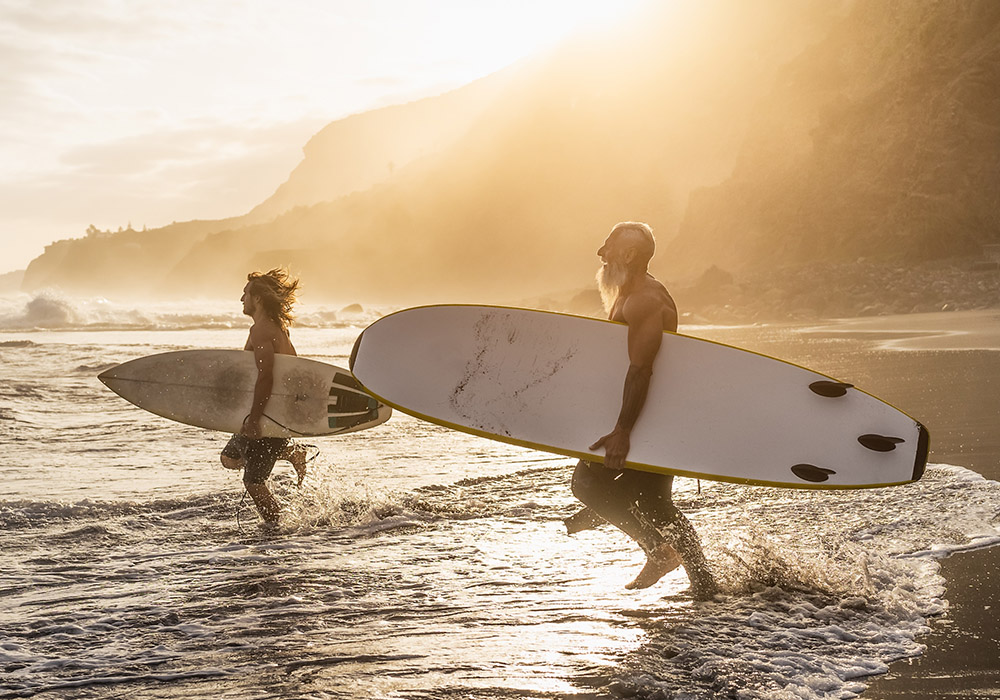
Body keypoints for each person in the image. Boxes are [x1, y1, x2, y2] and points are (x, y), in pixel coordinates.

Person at [567, 222, 717, 598]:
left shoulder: (646, 300)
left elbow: (641, 369)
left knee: (588, 484)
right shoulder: (626, 295)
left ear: (629, 255)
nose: (601, 252)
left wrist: (622, 430)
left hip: (652, 415)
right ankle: (705, 587)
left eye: (608, 245)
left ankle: (660, 552)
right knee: (652, 500)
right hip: (652, 413)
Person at [220, 268, 308, 523]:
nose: (241, 299)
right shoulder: (277, 329)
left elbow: (266, 376)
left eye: (245, 294)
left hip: (270, 414)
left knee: (254, 482)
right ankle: (291, 453)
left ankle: (275, 528)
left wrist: (255, 419)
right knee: (229, 458)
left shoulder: (261, 331)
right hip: (272, 411)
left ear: (257, 299)